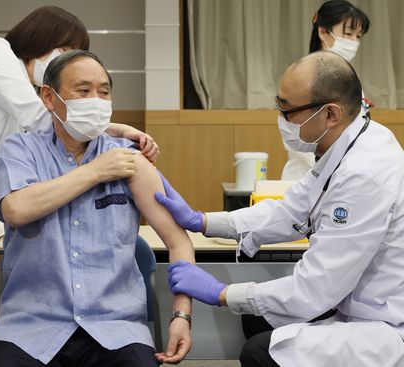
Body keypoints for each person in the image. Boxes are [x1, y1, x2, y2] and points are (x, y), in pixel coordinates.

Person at [0, 6, 159, 367]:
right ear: (38, 39)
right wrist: (117, 130)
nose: (67, 59)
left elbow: (9, 174)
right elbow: (43, 116)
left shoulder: (23, 128)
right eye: (64, 49)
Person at [156, 51, 404, 366]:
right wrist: (202, 221)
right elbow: (290, 210)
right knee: (256, 319)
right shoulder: (350, 141)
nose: (280, 118)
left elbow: (314, 290)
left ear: (330, 114)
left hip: (383, 322)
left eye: (287, 110)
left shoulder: (365, 172)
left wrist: (221, 293)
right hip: (351, 296)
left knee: (258, 352)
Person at [0, 49, 195, 367]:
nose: (96, 100)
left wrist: (182, 315)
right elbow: (16, 209)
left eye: (104, 92)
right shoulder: (20, 150)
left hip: (115, 330)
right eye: (83, 91)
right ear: (50, 98)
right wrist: (96, 171)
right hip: (29, 329)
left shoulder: (129, 158)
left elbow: (178, 242)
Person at [282, 0, 370, 180]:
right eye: (348, 33)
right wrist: (333, 163)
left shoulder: (352, 81)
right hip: (306, 176)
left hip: (343, 175)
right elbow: (293, 133)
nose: (353, 42)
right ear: (323, 31)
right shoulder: (303, 77)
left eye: (358, 36)